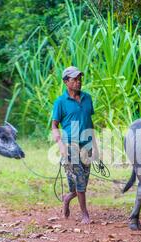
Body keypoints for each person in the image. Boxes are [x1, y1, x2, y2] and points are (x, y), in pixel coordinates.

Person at [52, 66, 99, 224]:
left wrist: (95, 144)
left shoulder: (87, 98)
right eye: (74, 79)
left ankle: (67, 198)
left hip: (87, 145)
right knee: (79, 180)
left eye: (80, 79)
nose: (78, 82)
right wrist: (60, 144)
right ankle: (84, 213)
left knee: (82, 183)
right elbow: (54, 126)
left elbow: (89, 121)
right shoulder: (60, 102)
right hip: (70, 146)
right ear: (66, 82)